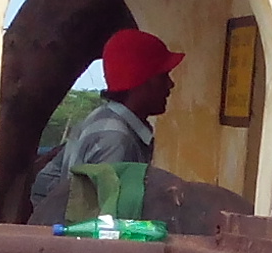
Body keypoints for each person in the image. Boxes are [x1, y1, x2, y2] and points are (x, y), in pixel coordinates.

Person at [28, 27, 180, 227]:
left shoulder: (103, 119)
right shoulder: (116, 139)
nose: (170, 85)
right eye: (163, 76)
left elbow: (46, 182)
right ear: (141, 81)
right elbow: (107, 222)